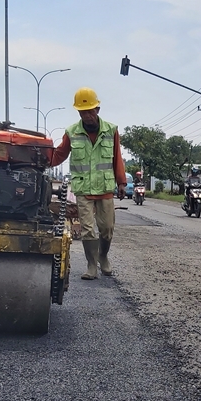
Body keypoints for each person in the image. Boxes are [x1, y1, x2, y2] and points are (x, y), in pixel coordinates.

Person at [50, 87, 126, 280]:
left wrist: (122, 182)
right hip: (83, 189)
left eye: (90, 111)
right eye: (83, 112)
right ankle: (92, 265)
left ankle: (103, 257)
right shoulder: (72, 132)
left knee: (107, 228)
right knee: (87, 229)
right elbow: (59, 154)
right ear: (78, 112)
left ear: (97, 110)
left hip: (105, 188)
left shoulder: (111, 130)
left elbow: (117, 158)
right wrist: (39, 159)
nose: (87, 116)